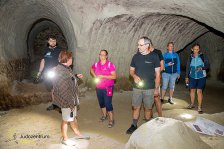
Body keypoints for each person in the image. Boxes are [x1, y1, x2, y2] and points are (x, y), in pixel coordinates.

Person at [52, 50, 89, 146]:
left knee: (73, 118)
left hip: (71, 99)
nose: (72, 59)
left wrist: (76, 76)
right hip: (67, 101)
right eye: (71, 58)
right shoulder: (60, 72)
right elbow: (64, 91)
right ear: (67, 59)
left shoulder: (65, 68)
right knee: (66, 120)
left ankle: (78, 134)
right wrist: (71, 104)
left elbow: (69, 79)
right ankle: (65, 139)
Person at [126, 37, 160, 134]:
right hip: (137, 88)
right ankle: (134, 125)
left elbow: (158, 74)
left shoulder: (154, 57)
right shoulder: (135, 57)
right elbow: (131, 70)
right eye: (138, 44)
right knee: (136, 107)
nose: (138, 46)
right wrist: (134, 75)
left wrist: (156, 89)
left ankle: (147, 126)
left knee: (148, 108)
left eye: (140, 45)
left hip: (150, 88)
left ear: (147, 45)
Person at [90, 50, 116, 128]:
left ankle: (111, 120)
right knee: (102, 103)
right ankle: (105, 116)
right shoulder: (96, 64)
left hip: (108, 87)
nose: (101, 56)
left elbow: (114, 76)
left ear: (106, 56)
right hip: (99, 87)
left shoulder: (110, 64)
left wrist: (103, 76)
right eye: (100, 54)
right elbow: (91, 69)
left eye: (103, 55)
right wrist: (94, 75)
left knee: (108, 103)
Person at [35, 35, 62, 111]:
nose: (53, 42)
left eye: (54, 41)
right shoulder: (45, 50)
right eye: (51, 41)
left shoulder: (59, 50)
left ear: (56, 42)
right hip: (48, 73)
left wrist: (57, 67)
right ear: (48, 41)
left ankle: (61, 104)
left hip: (58, 72)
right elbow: (43, 61)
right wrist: (39, 72)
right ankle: (55, 104)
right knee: (52, 89)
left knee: (59, 88)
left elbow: (63, 60)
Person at [185, 43, 209, 114]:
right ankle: (192, 104)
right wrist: (186, 76)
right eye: (195, 49)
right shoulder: (190, 57)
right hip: (192, 76)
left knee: (199, 91)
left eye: (197, 49)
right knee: (192, 90)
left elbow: (207, 65)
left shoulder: (203, 56)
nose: (196, 51)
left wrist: (201, 68)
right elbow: (188, 67)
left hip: (201, 76)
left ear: (199, 49)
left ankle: (199, 107)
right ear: (192, 49)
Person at [149, 45, 164, 117]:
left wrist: (156, 73)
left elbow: (162, 66)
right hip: (147, 79)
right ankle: (149, 116)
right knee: (148, 97)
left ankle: (160, 116)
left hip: (155, 78)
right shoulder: (144, 52)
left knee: (156, 97)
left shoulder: (158, 52)